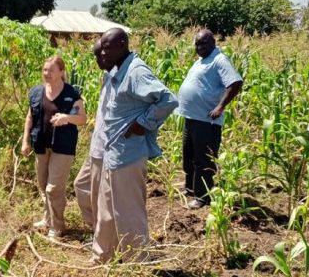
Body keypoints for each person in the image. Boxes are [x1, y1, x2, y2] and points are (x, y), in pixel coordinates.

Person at [92, 28, 178, 263]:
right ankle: (102, 255)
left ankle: (137, 263)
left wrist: (143, 123)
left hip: (128, 154)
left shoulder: (136, 71)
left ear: (122, 44)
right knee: (106, 210)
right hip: (114, 152)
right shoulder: (121, 70)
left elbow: (168, 99)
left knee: (128, 213)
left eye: (107, 47)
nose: (103, 52)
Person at [176, 29, 243, 209]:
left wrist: (220, 106)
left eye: (203, 43)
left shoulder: (219, 60)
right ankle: (191, 188)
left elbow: (235, 82)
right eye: (197, 44)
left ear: (213, 42)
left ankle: (203, 196)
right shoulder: (201, 60)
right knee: (188, 156)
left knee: (203, 159)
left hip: (207, 121)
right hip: (192, 118)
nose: (199, 47)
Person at [22, 56, 86, 239]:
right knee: (43, 186)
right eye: (44, 70)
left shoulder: (71, 94)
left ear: (61, 72)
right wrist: (25, 141)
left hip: (63, 147)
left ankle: (57, 227)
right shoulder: (36, 92)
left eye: (50, 70)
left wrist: (67, 118)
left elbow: (82, 118)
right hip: (41, 145)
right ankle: (47, 218)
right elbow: (30, 118)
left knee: (53, 188)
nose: (46, 74)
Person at [73, 39, 117, 228]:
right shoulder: (107, 77)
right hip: (96, 146)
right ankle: (96, 230)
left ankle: (102, 238)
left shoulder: (120, 78)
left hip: (107, 149)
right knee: (81, 186)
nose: (99, 59)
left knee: (100, 196)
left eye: (101, 55)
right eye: (96, 56)